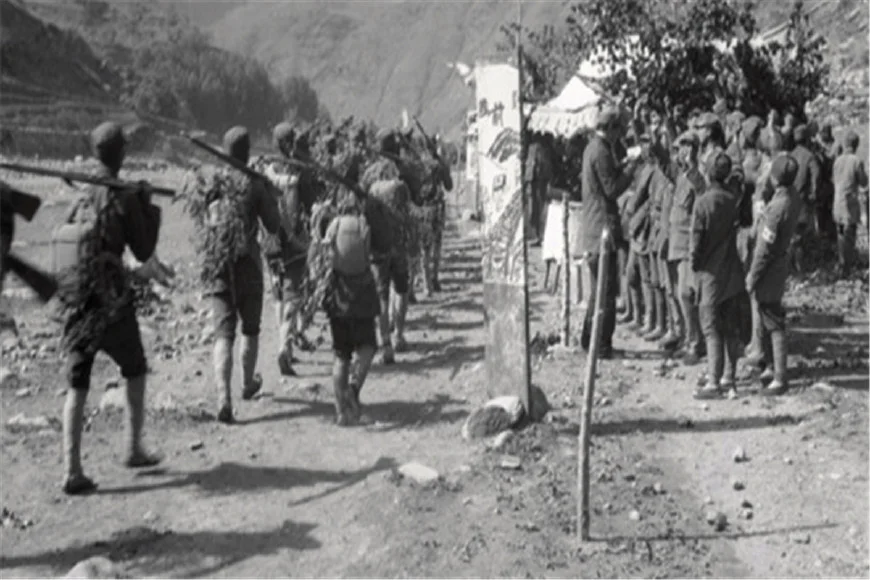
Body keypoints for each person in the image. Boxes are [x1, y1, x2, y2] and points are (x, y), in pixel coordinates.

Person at [57, 122, 162, 494]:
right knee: (135, 369)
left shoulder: (80, 195)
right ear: (121, 154)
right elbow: (143, 250)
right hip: (112, 302)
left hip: (78, 302)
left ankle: (72, 468)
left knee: (77, 382)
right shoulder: (124, 196)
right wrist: (147, 205)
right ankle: (132, 449)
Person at [209, 126, 281, 424]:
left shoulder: (215, 183)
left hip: (220, 263)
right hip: (249, 263)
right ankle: (247, 383)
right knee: (250, 329)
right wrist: (270, 194)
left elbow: (207, 219)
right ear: (248, 152)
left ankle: (223, 398)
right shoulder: (255, 184)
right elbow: (273, 225)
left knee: (224, 333)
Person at [319, 189, 386, 426]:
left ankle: (340, 412)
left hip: (338, 295)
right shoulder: (363, 225)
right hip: (362, 295)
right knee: (368, 346)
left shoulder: (334, 225)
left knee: (341, 355)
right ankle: (354, 388)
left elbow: (325, 253)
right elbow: (370, 253)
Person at [580, 107, 638, 358]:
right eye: (618, 130)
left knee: (598, 290)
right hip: (602, 229)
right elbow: (612, 189)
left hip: (594, 228)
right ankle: (602, 346)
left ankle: (589, 340)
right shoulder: (601, 151)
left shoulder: (592, 148)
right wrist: (631, 168)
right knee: (606, 291)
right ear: (612, 129)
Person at [745, 155, 802, 395]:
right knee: (768, 315)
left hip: (769, 268)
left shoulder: (776, 209)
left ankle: (780, 376)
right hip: (780, 264)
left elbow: (763, 249)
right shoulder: (793, 197)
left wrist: (752, 275)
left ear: (776, 179)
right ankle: (770, 366)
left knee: (773, 320)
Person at [691, 153, 746, 400]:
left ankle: (713, 381)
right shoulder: (733, 200)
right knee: (730, 327)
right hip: (732, 272)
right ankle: (729, 376)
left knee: (711, 327)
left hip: (710, 274)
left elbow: (696, 243)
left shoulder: (702, 203)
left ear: (709, 173)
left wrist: (695, 266)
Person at [360, 131, 413, 363]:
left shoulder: (369, 174)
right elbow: (410, 206)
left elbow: (360, 204)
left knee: (381, 296)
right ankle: (399, 335)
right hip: (398, 244)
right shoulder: (402, 172)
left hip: (377, 247)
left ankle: (386, 345)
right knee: (401, 289)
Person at [667, 130, 706, 363]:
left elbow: (701, 199)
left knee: (687, 294)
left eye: (687, 147)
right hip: (676, 243)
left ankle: (696, 343)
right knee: (679, 294)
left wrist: (691, 165)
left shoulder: (696, 177)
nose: (682, 151)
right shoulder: (680, 176)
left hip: (688, 245)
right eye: (680, 147)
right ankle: (688, 339)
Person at [832, 131, 869, 277]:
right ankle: (847, 269)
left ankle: (842, 265)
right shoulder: (856, 161)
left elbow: (834, 180)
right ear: (856, 145)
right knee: (849, 237)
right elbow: (863, 182)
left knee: (841, 236)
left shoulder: (837, 161)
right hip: (849, 205)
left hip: (837, 203)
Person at [790, 125, 822, 237]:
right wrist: (814, 193)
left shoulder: (791, 155)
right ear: (807, 139)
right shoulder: (809, 156)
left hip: (790, 199)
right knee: (806, 233)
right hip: (804, 200)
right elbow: (816, 174)